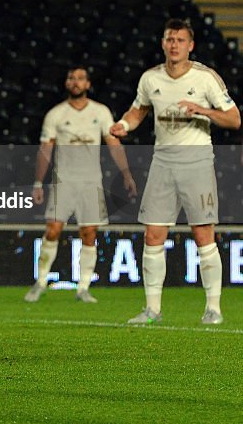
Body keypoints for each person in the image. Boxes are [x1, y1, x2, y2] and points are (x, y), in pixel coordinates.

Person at [111, 19, 240, 325]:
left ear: (190, 45)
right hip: (163, 161)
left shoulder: (206, 78)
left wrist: (203, 110)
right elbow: (139, 109)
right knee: (153, 234)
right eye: (170, 39)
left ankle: (213, 308)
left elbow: (234, 119)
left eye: (180, 40)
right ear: (163, 43)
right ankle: (152, 309)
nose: (174, 45)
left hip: (196, 161)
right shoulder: (150, 78)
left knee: (203, 233)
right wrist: (125, 125)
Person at [24, 67, 136, 304]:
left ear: (88, 84)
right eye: (72, 78)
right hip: (63, 180)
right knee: (53, 229)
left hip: (90, 181)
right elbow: (45, 149)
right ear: (66, 83)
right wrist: (37, 182)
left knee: (89, 233)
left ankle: (83, 287)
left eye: (81, 79)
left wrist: (126, 174)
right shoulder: (56, 114)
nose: (76, 82)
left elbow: (113, 143)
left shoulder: (100, 111)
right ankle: (41, 281)